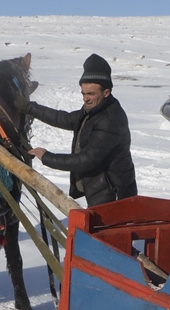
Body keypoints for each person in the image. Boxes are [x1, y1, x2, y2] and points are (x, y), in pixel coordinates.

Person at [27, 54, 138, 206]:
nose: (85, 99)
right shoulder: (93, 110)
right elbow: (65, 119)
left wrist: (48, 158)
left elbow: (87, 160)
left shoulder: (110, 120)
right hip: (100, 190)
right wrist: (30, 108)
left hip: (114, 195)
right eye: (83, 93)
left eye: (91, 94)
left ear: (106, 92)